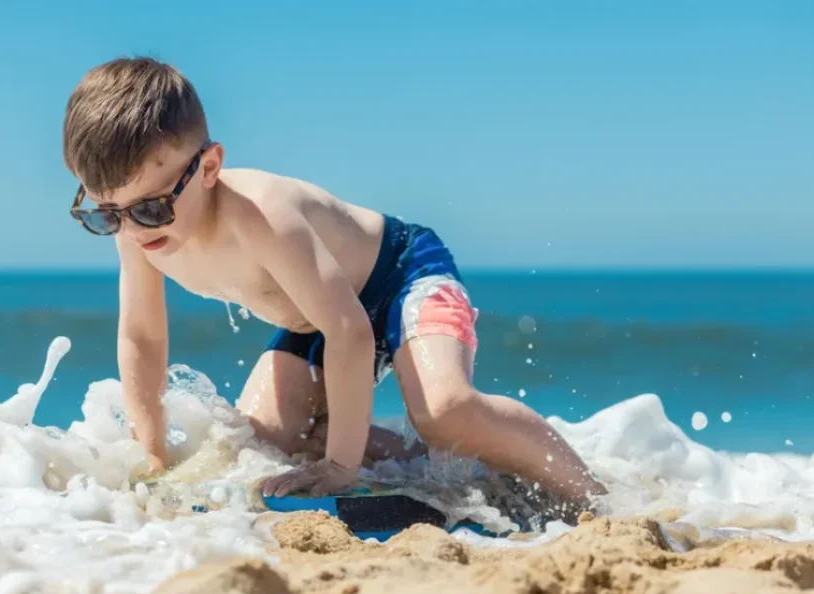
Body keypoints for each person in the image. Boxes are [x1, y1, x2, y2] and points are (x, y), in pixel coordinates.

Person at [61, 56, 607, 507]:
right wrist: (153, 450)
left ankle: (594, 498)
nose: (131, 229)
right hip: (317, 312)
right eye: (106, 214)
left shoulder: (261, 215)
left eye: (152, 209)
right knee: (268, 440)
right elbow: (143, 337)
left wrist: (341, 468)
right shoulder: (138, 233)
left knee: (444, 411)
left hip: (402, 273)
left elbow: (348, 330)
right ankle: (457, 465)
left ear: (207, 168)